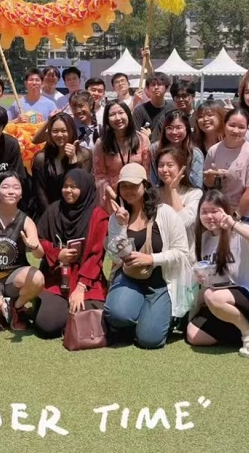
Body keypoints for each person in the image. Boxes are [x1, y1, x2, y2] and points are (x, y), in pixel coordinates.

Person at [103, 163, 193, 349]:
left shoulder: (165, 213)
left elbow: (182, 251)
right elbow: (116, 257)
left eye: (134, 185)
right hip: (129, 276)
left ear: (145, 186)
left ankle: (153, 317)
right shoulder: (116, 217)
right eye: (124, 186)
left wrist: (152, 259)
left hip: (160, 280)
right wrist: (121, 226)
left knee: (149, 340)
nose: (128, 191)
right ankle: (136, 313)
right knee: (118, 314)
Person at [187, 189, 249, 358]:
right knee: (194, 335)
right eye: (204, 212)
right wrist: (204, 278)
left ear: (226, 211)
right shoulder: (204, 239)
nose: (209, 216)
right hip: (229, 300)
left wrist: (234, 225)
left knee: (212, 296)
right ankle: (248, 328)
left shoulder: (240, 232)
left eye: (214, 211)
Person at [34, 169, 109, 338]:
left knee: (100, 319)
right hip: (57, 277)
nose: (68, 190)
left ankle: (69, 316)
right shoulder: (54, 210)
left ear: (85, 188)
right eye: (65, 186)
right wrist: (57, 253)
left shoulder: (98, 216)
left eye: (74, 187)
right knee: (47, 325)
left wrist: (81, 288)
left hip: (87, 279)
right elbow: (39, 239)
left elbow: (96, 256)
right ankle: (62, 314)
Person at [0, 172, 45, 336]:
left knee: (38, 278)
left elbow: (39, 255)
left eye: (16, 187)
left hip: (14, 280)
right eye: (5, 187)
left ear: (21, 194)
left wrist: (35, 246)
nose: (11, 191)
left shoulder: (26, 221)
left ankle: (15, 307)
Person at [204, 108, 249, 227]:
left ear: (247, 129)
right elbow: (209, 184)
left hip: (247, 215)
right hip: (221, 211)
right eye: (232, 125)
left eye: (241, 127)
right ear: (224, 125)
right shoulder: (214, 150)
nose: (236, 130)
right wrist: (210, 177)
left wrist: (235, 216)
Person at [31, 113, 93, 218]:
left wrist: (73, 161)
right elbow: (40, 193)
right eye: (55, 131)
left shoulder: (84, 155)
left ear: (72, 131)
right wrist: (51, 216)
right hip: (48, 213)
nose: (59, 135)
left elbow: (82, 187)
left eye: (64, 131)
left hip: (76, 213)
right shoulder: (41, 159)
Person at [93, 101, 151, 212]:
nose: (117, 118)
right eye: (112, 114)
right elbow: (99, 175)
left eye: (121, 113)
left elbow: (147, 172)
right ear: (107, 119)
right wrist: (112, 194)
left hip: (138, 194)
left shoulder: (142, 139)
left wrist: (140, 192)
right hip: (112, 196)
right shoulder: (101, 144)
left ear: (128, 114)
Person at [149, 109, 204, 188]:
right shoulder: (154, 149)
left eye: (178, 128)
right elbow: (154, 180)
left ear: (187, 128)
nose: (174, 132)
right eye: (169, 128)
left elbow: (197, 185)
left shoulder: (195, 154)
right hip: (162, 192)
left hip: (188, 193)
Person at [155, 147, 203, 237]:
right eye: (161, 166)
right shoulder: (154, 194)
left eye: (170, 165)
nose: (164, 170)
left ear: (181, 168)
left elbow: (184, 222)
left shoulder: (194, 194)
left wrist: (173, 190)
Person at [132, 72, 174, 142]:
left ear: (166, 88)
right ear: (148, 88)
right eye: (153, 85)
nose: (156, 87)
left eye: (159, 84)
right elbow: (135, 136)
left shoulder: (172, 109)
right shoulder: (139, 110)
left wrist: (150, 136)